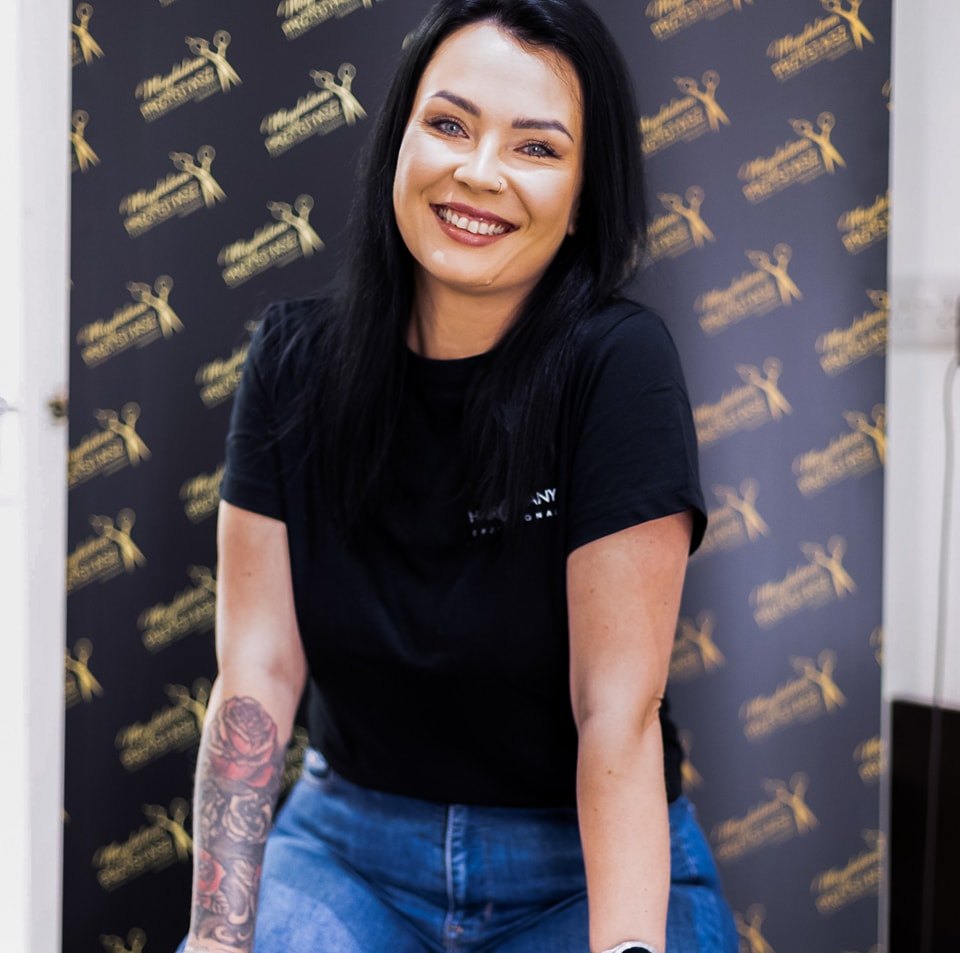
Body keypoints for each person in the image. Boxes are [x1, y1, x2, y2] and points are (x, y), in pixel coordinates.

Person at [179, 1, 737, 951]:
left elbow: (617, 711)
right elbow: (259, 675)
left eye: (536, 147)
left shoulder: (618, 366)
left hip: (572, 858)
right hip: (347, 851)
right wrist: (219, 940)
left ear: (582, 196)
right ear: (399, 140)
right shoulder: (293, 359)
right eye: (448, 125)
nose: (478, 173)